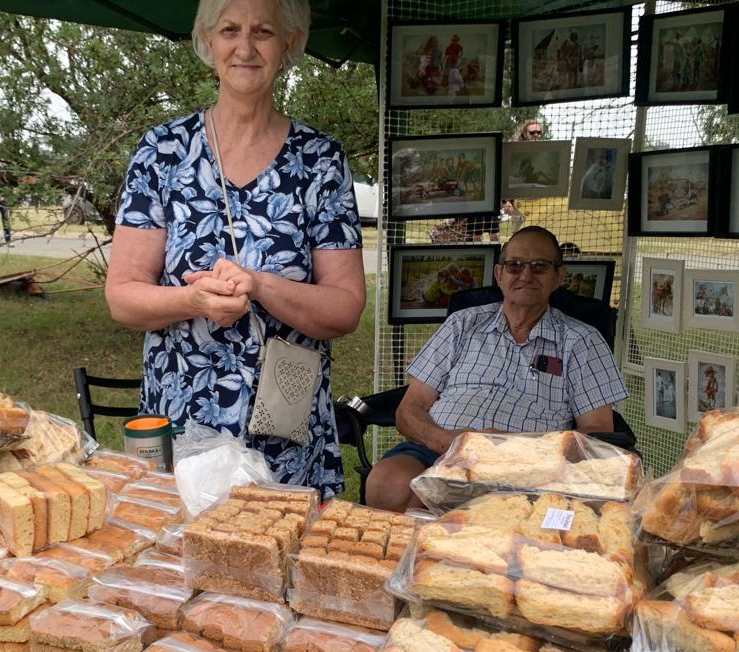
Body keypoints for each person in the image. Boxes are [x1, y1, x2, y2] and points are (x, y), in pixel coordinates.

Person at [105, 0, 365, 500]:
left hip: (286, 429)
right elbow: (122, 296)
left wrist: (261, 285)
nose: (245, 47)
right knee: (178, 545)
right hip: (184, 421)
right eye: (229, 30)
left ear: (289, 43)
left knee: (283, 546)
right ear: (208, 40)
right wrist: (193, 300)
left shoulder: (319, 160)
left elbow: (346, 307)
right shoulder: (162, 151)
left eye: (263, 31)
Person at [364, 226, 627, 512]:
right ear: (499, 274)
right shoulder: (462, 324)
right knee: (387, 482)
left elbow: (598, 434)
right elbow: (409, 409)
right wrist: (450, 443)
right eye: (515, 266)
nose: (525, 275)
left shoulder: (582, 340)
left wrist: (520, 449)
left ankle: (447, 534)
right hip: (439, 450)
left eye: (539, 266)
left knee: (491, 508)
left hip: (528, 467)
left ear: (558, 276)